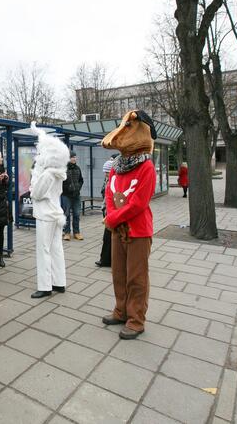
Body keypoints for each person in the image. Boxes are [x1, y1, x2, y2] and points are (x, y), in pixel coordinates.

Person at [101, 110, 157, 340]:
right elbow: (108, 191)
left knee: (136, 276)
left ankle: (136, 319)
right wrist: (112, 215)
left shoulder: (147, 168)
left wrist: (113, 218)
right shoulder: (117, 165)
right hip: (118, 230)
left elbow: (138, 203)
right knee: (119, 274)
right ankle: (121, 310)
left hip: (138, 231)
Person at [29, 122, 69, 299]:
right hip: (56, 213)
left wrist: (35, 174)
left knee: (43, 250)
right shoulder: (58, 172)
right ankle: (59, 283)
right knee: (56, 248)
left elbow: (36, 194)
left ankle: (45, 286)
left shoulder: (47, 174)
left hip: (45, 215)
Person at [95, 157, 115, 268]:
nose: (106, 174)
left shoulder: (113, 181)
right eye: (105, 172)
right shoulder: (108, 180)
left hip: (111, 213)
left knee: (109, 238)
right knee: (107, 238)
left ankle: (106, 260)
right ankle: (106, 260)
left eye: (107, 172)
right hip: (107, 211)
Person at [61, 150, 84, 241]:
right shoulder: (63, 169)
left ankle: (76, 232)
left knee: (77, 214)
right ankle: (66, 233)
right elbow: (60, 182)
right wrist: (67, 188)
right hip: (66, 195)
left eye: (75, 157)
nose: (74, 158)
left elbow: (81, 180)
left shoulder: (78, 168)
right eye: (72, 157)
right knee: (66, 214)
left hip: (76, 195)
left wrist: (78, 187)